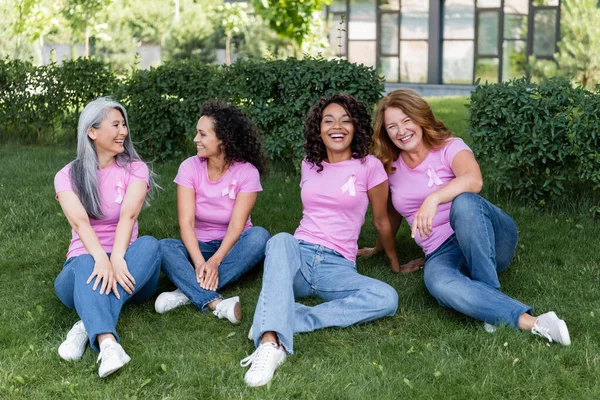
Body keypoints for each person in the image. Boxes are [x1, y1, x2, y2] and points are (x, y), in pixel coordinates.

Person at [364, 89, 570, 345]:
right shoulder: (390, 168)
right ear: (385, 132)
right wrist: (378, 248)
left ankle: (488, 296)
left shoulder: (450, 147)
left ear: (420, 118)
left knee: (463, 202)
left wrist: (434, 198)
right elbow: (392, 216)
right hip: (440, 251)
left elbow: (474, 180)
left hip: (487, 236)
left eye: (407, 121)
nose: (401, 131)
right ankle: (534, 322)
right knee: (437, 283)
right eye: (392, 126)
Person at [240, 94, 409, 388]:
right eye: (328, 120)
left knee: (386, 298)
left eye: (345, 120)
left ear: (356, 127)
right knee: (280, 240)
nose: (337, 126)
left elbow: (381, 220)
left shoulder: (369, 166)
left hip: (338, 264)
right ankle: (270, 343)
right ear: (318, 128)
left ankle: (285, 317)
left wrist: (393, 262)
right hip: (300, 253)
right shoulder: (309, 163)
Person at [54, 97, 161, 378]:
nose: (123, 131)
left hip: (129, 269)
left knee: (150, 245)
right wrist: (101, 258)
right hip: (82, 271)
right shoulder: (67, 175)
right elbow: (79, 222)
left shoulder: (136, 168)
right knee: (84, 262)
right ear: (92, 131)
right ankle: (107, 342)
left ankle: (86, 323)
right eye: (115, 125)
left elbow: (128, 216)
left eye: (124, 124)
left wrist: (117, 258)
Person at [156, 102, 270, 324]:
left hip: (234, 247)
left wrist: (216, 261)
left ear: (223, 140)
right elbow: (186, 223)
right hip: (198, 247)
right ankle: (215, 302)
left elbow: (237, 225)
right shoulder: (189, 167)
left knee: (260, 237)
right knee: (164, 247)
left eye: (202, 134)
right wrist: (200, 262)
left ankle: (186, 291)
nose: (195, 139)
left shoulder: (247, 172)